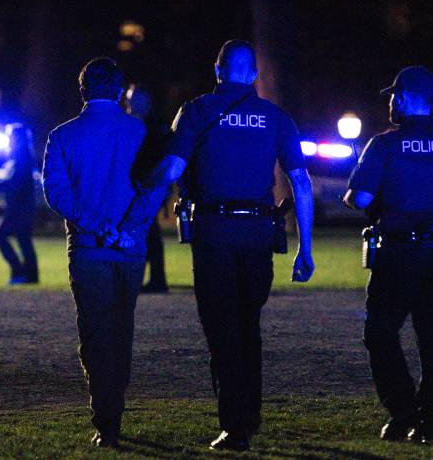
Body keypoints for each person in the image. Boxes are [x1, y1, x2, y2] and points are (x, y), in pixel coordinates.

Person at [118, 40, 315, 451]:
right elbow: (300, 181)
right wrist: (305, 247)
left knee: (222, 329)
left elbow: (170, 170)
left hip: (215, 233)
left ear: (218, 69)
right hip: (260, 232)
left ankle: (235, 426)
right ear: (254, 74)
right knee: (248, 324)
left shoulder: (196, 111)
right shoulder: (276, 117)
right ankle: (251, 413)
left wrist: (136, 221)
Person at [343, 66, 433, 443]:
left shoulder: (385, 144)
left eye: (393, 95)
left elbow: (360, 199)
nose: (390, 101)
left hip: (399, 254)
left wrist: (354, 187)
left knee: (380, 332)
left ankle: (404, 410)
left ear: (404, 98)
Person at [42, 57, 147, 448]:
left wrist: (97, 225)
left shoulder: (63, 135)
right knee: (123, 327)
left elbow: (57, 194)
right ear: (120, 91)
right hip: (131, 248)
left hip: (88, 248)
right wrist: (127, 229)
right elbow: (154, 189)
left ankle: (107, 420)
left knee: (96, 332)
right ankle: (115, 404)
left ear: (83, 90)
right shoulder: (138, 130)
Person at [125, 84, 170, 293]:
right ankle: (154, 278)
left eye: (133, 99)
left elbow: (155, 160)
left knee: (148, 232)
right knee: (148, 232)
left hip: (149, 187)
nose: (129, 103)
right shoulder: (143, 125)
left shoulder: (152, 128)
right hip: (145, 186)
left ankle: (155, 279)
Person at [0, 122, 39, 284]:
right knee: (24, 240)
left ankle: (18, 272)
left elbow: (14, 185)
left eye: (10, 137)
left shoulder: (20, 161)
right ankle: (30, 277)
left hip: (19, 208)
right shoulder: (20, 159)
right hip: (23, 207)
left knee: (0, 237)